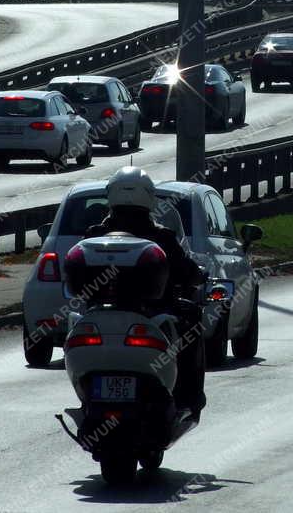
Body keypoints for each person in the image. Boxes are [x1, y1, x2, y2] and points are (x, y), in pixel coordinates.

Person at [85, 166, 207, 419]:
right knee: (193, 316)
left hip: (100, 316)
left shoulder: (94, 234)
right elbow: (188, 272)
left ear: (111, 195)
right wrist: (198, 276)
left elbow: (74, 273)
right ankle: (189, 396)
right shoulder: (161, 236)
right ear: (149, 197)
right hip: (154, 315)